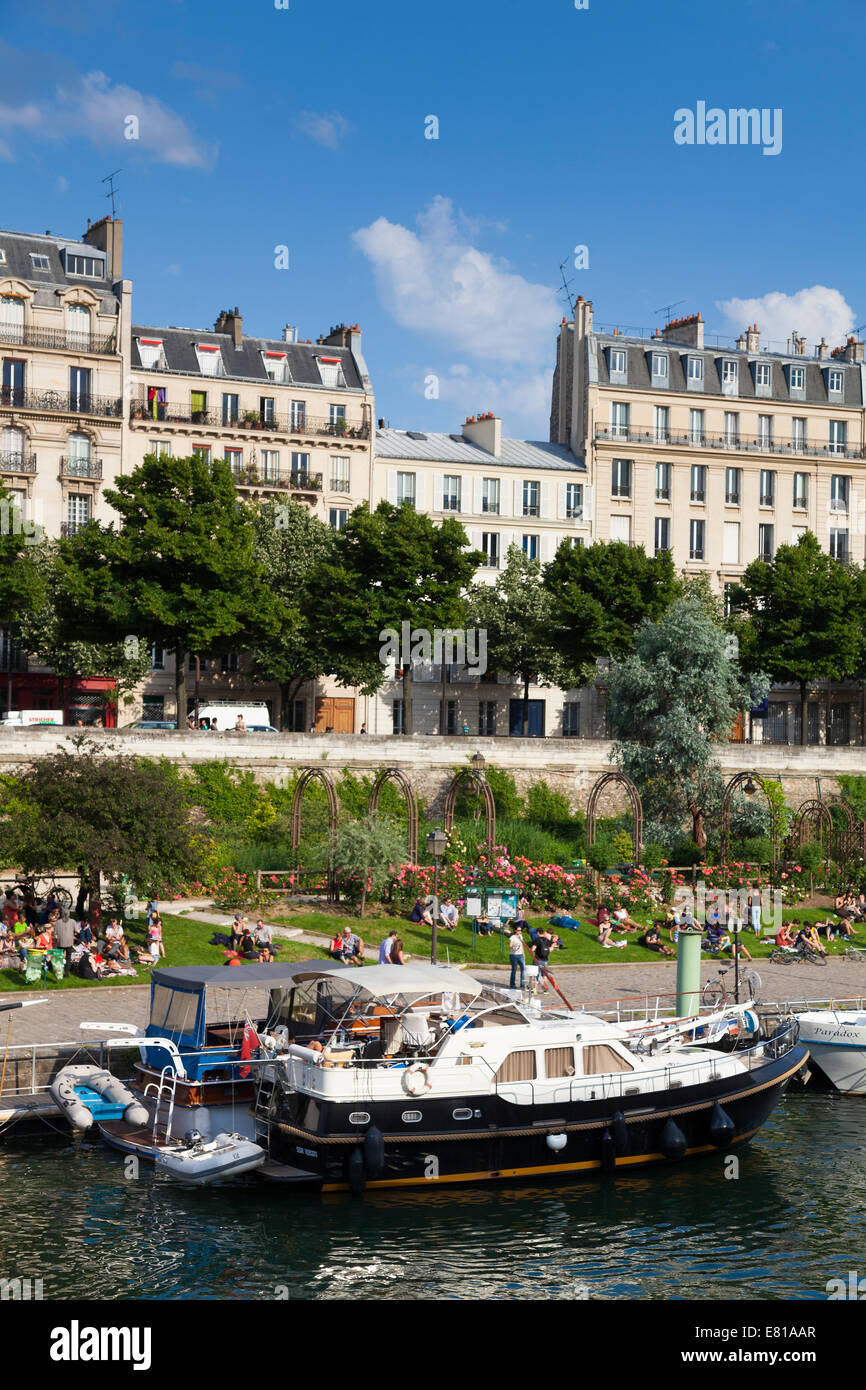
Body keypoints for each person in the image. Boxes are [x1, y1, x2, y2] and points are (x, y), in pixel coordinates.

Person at [508, 925, 526, 990]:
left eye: (520, 930)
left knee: (523, 969)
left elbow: (522, 946)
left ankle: (522, 983)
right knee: (514, 970)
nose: (520, 931)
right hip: (514, 955)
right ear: (515, 930)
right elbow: (510, 945)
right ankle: (512, 984)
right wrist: (512, 947)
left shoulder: (521, 937)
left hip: (520, 954)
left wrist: (523, 954)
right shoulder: (512, 937)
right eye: (518, 930)